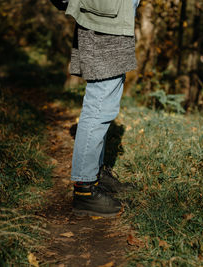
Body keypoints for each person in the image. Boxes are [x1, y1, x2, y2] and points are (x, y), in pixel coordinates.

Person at [50, 0, 140, 217]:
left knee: (106, 102)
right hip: (102, 19)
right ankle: (85, 189)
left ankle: (95, 174)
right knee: (99, 103)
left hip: (112, 17)